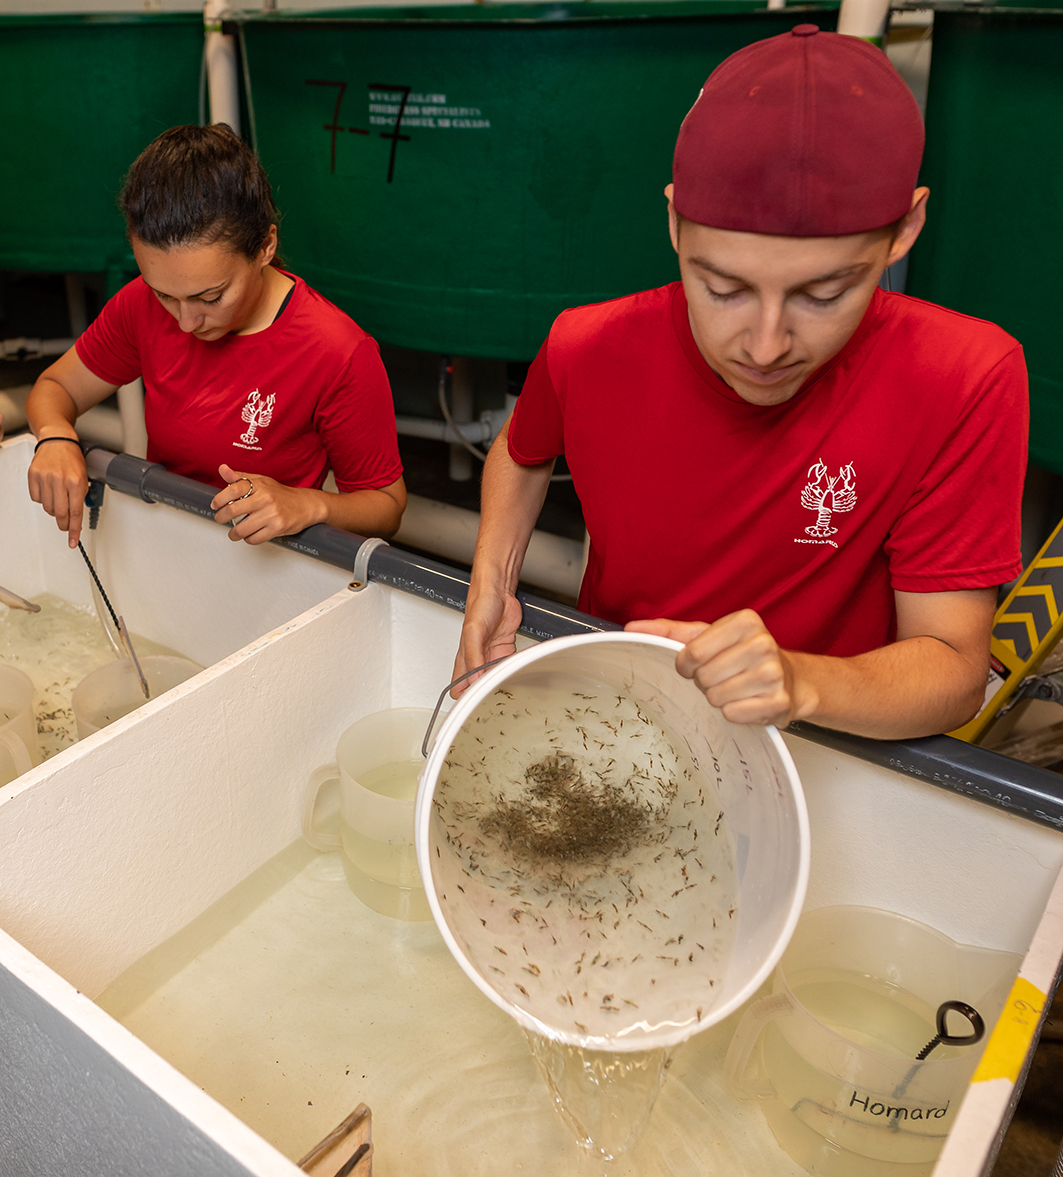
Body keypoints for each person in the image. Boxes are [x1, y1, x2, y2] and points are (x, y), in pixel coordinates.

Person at [454, 25, 1027, 740]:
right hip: (621, 711)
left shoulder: (963, 375)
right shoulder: (588, 344)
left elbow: (951, 670)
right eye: (721, 288)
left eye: (823, 295)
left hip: (830, 735)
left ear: (903, 231)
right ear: (672, 222)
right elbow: (521, 448)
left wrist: (799, 680)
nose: (764, 346)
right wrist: (492, 577)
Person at [26, 124, 405, 549]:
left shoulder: (337, 350)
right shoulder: (139, 304)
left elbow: (386, 506)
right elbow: (55, 387)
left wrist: (308, 505)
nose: (186, 322)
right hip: (172, 541)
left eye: (211, 296)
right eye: (165, 294)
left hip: (271, 564)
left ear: (264, 246)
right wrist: (55, 436)